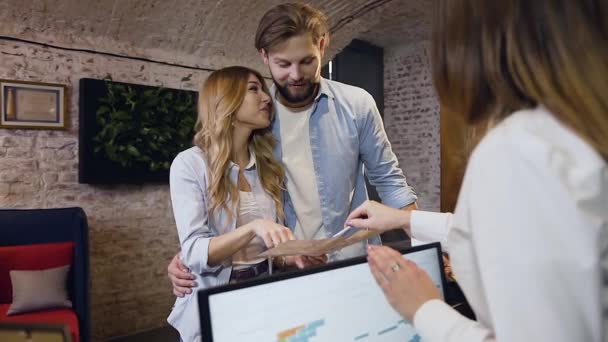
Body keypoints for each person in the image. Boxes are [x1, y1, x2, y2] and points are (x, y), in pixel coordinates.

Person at [346, 0, 608, 341]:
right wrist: (404, 219)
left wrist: (424, 309)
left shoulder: (519, 149)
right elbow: (525, 226)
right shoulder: (576, 133)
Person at [168, 2, 418, 296]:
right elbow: (226, 199)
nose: (297, 75)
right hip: (287, 273)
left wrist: (427, 244)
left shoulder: (357, 105)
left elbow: (390, 181)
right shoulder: (256, 117)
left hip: (352, 262)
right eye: (283, 64)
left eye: (307, 61)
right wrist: (187, 256)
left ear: (322, 46)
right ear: (265, 56)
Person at [167, 66, 317, 342]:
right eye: (253, 89)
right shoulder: (190, 164)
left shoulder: (268, 167)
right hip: (215, 304)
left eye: (263, 88)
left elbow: (269, 247)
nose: (266, 98)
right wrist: (254, 228)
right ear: (226, 99)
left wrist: (292, 257)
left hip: (265, 297)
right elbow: (194, 251)